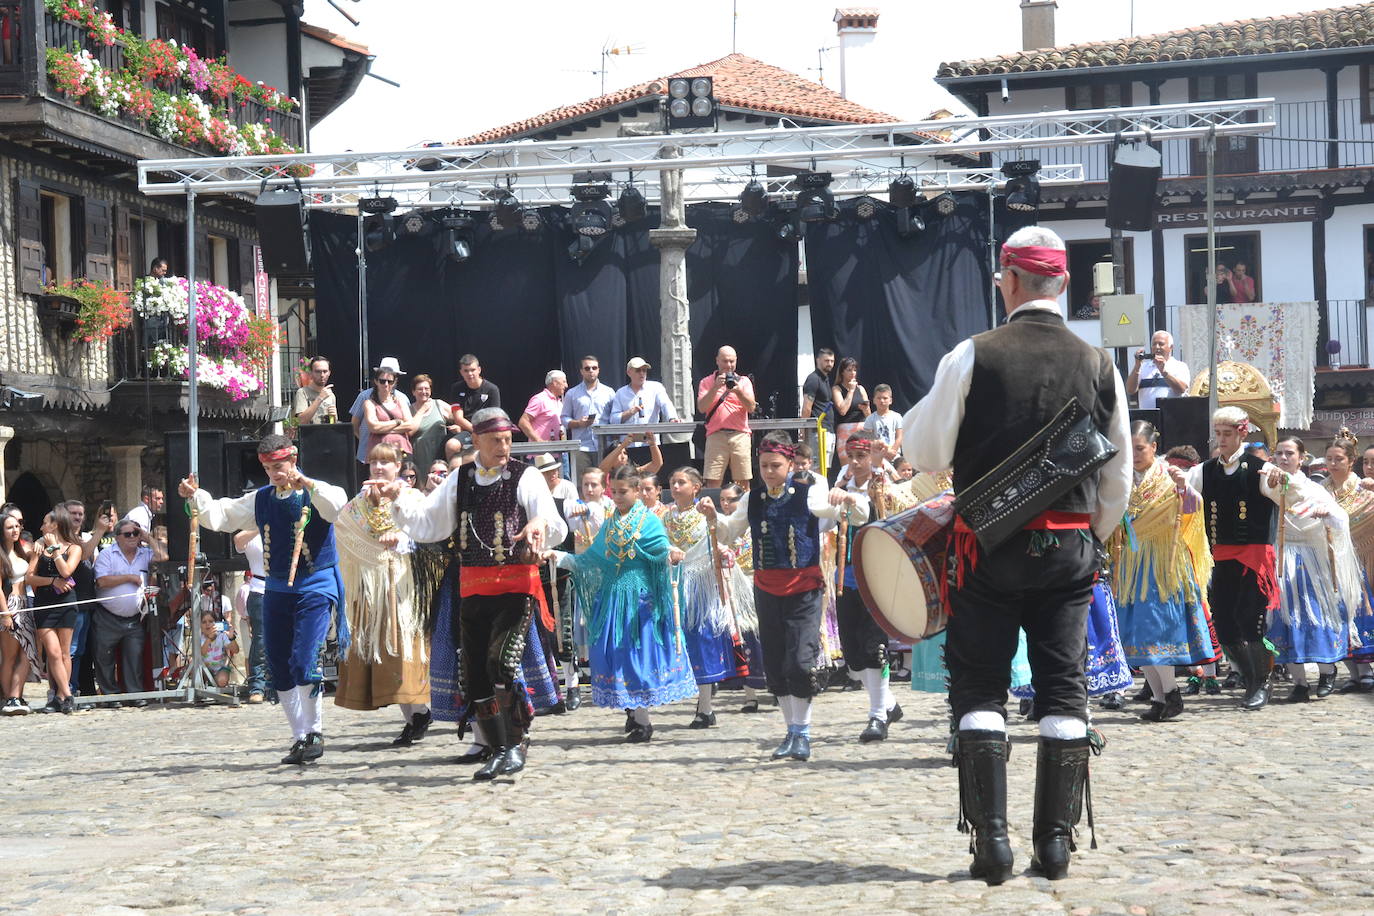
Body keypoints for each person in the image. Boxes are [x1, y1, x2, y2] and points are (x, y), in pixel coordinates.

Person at [903, 225, 1131, 884]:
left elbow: (925, 452)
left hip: (986, 551)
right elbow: (1117, 479)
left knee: (980, 686)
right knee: (1064, 688)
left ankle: (992, 846)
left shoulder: (972, 354)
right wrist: (1089, 536)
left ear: (1007, 280)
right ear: (1065, 282)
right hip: (1070, 552)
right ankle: (1055, 846)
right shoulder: (1100, 363)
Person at [382, 407, 566, 781]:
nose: (504, 447)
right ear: (476, 440)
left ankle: (515, 742)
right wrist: (397, 499)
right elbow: (429, 524)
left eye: (508, 439)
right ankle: (497, 749)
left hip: (515, 587)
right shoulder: (460, 478)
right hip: (472, 589)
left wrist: (539, 523)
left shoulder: (526, 476)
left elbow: (554, 524)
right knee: (475, 674)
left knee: (501, 663)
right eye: (496, 440)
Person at [179, 433, 351, 765]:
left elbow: (335, 507)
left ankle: (314, 731)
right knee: (279, 664)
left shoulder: (317, 491)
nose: (274, 473)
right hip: (276, 589)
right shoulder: (261, 499)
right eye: (269, 468)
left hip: (316, 585)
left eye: (279, 466)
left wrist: (306, 483)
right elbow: (223, 514)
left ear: (293, 459)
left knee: (304, 660)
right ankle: (299, 737)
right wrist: (196, 496)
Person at [702, 432, 869, 762]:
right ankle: (791, 730)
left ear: (790, 464)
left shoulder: (808, 492)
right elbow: (730, 531)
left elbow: (855, 515)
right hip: (766, 590)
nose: (768, 471)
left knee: (799, 662)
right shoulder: (753, 498)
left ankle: (802, 731)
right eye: (763, 465)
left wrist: (847, 498)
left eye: (775, 465)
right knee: (776, 665)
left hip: (803, 589)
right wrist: (712, 517)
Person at [1176, 407, 1306, 713]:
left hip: (1254, 558)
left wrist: (1284, 479)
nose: (1221, 440)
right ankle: (1251, 677)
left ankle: (1261, 682)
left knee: (1250, 622)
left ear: (1242, 433)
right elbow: (1182, 498)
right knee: (1223, 624)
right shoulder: (1204, 471)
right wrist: (1176, 484)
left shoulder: (1260, 469)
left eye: (1227, 434)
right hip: (1220, 557)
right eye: (1218, 434)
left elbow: (1294, 496)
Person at [555, 464, 697, 742]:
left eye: (623, 492)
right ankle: (632, 711)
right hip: (612, 599)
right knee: (614, 655)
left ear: (637, 491)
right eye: (614, 492)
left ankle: (643, 721)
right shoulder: (611, 524)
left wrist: (670, 554)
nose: (618, 497)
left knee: (634, 657)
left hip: (639, 601)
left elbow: (660, 549)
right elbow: (593, 559)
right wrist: (559, 557)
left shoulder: (649, 521)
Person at [1106, 421, 1216, 722]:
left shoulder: (1169, 475)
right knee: (1136, 633)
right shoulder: (1120, 477)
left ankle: (1171, 692)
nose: (1134, 454)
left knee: (1156, 628)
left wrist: (1183, 488)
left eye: (1140, 448)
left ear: (1154, 447)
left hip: (1163, 562)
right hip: (1129, 563)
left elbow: (1194, 507)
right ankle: (1158, 697)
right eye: (1129, 449)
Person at [334, 443, 433, 746]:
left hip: (404, 584)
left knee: (404, 647)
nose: (378, 467)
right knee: (384, 653)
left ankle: (420, 709)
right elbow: (341, 530)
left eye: (385, 462)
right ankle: (413, 717)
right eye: (374, 462)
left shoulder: (412, 497)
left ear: (399, 466)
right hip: (370, 586)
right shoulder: (358, 503)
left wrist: (400, 538)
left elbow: (426, 531)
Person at [1263, 436, 1362, 702]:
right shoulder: (1270, 482)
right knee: (1285, 618)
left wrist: (1325, 513)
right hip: (1283, 556)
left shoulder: (1313, 488)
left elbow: (1340, 517)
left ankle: (1327, 670)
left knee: (1315, 614)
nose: (1284, 458)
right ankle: (1299, 683)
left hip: (1311, 559)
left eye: (1289, 453)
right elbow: (1266, 485)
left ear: (1302, 458)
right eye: (1279, 453)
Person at [663, 466, 754, 729]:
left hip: (701, 588)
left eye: (681, 482)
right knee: (681, 642)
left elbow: (719, 539)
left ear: (696, 487)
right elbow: (659, 542)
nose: (676, 487)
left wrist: (722, 553)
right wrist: (668, 551)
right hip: (675, 585)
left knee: (702, 639)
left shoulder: (705, 514)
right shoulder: (665, 517)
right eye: (673, 482)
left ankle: (705, 706)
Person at [832, 431, 904, 741]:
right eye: (851, 456)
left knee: (875, 647)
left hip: (875, 575)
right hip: (846, 576)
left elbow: (898, 504)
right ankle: (889, 704)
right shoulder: (842, 485)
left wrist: (882, 461)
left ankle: (877, 716)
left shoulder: (881, 484)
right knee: (853, 655)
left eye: (861, 456)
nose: (856, 462)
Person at [1322, 430, 1374, 692]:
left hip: (1361, 562)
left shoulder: (1365, 490)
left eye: (1339, 459)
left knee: (1360, 614)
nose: (1333, 464)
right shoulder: (1320, 490)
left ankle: (1366, 671)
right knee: (1336, 616)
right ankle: (1352, 673)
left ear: (1351, 461)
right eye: (1329, 459)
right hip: (1329, 562)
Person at [92, 518, 165, 701]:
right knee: (104, 658)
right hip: (107, 617)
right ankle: (110, 696)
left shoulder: (145, 553)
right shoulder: (107, 554)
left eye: (135, 533)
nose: (132, 537)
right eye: (128, 534)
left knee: (134, 657)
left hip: (135, 617)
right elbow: (101, 581)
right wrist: (129, 577)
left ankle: (135, 694)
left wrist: (148, 537)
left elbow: (163, 557)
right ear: (117, 537)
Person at [698, 346, 756, 491]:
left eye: (732, 361)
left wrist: (739, 392)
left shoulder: (744, 381)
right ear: (717, 361)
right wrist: (715, 388)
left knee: (743, 482)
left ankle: (742, 506)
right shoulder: (706, 382)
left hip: (740, 435)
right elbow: (702, 408)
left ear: (736, 361)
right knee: (712, 482)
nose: (728, 365)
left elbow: (751, 408)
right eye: (725, 361)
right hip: (716, 435)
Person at [610, 357, 679, 467]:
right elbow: (613, 419)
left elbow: (666, 404)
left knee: (651, 475)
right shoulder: (621, 393)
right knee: (630, 476)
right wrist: (630, 412)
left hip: (650, 445)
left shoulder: (656, 387)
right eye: (638, 370)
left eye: (644, 370)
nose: (642, 373)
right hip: (628, 446)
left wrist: (672, 418)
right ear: (629, 372)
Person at [1, 509, 37, 715]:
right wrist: (5, 614)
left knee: (27, 654)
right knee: (10, 655)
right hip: (10, 605)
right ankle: (10, 698)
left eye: (17, 526)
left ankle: (15, 695)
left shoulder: (21, 551)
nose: (15, 530)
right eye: (9, 527)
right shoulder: (1, 555)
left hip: (26, 604)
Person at [561, 355, 617, 480]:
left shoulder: (609, 392)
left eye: (594, 368)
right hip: (581, 447)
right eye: (587, 368)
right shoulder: (572, 393)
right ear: (581, 371)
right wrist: (578, 423)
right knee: (582, 484)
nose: (591, 371)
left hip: (604, 446)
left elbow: (614, 418)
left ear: (598, 370)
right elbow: (564, 418)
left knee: (605, 483)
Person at [232, 529, 271, 703]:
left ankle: (279, 684)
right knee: (260, 640)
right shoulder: (252, 533)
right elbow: (238, 540)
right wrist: (259, 526)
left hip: (283, 587)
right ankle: (257, 686)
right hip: (259, 588)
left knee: (284, 638)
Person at [361, 360, 415, 462]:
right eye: (382, 381)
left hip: (402, 450)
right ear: (376, 381)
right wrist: (397, 422)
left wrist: (382, 429)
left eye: (390, 381)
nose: (386, 384)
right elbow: (373, 427)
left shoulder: (401, 400)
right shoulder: (369, 403)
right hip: (379, 451)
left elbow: (410, 425)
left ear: (394, 382)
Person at [1126, 331, 1191, 411]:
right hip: (1147, 416)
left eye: (1161, 344)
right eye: (1154, 344)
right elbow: (1130, 390)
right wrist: (1137, 367)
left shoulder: (1180, 366)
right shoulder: (1142, 367)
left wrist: (1164, 373)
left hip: (1171, 416)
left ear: (1171, 347)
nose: (1157, 347)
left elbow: (1181, 389)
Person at [407, 374, 456, 475]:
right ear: (413, 392)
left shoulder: (439, 404)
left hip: (440, 457)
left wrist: (458, 426)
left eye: (427, 388)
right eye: (420, 389)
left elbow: (458, 418)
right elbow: (409, 432)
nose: (424, 391)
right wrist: (422, 409)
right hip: (419, 459)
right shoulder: (408, 410)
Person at [448, 353, 501, 437]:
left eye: (473, 370)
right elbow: (458, 418)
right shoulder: (456, 388)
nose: (470, 373)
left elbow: (494, 417)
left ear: (479, 370)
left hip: (487, 431)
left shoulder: (492, 389)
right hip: (465, 430)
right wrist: (475, 431)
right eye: (466, 371)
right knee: (451, 444)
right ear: (461, 372)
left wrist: (482, 432)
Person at [801, 348, 836, 465]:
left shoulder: (825, 379)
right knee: (817, 467)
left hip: (828, 430)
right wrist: (803, 430)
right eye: (826, 361)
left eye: (832, 361)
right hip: (817, 431)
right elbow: (807, 407)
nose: (829, 364)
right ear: (818, 360)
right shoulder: (813, 379)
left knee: (825, 467)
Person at [831, 357, 870, 462]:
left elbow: (869, 415)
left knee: (864, 460)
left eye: (854, 370)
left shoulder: (861, 389)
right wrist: (851, 391)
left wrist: (865, 408)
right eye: (849, 370)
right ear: (842, 372)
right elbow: (842, 410)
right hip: (845, 429)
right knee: (847, 461)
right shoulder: (837, 389)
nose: (853, 373)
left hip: (861, 428)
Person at [518, 370, 567, 444]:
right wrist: (538, 441)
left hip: (556, 449)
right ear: (555, 383)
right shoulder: (540, 399)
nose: (566, 385)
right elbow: (523, 422)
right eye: (564, 382)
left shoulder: (560, 403)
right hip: (540, 450)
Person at [863, 384, 903, 462]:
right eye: (879, 398)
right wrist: (884, 452)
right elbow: (869, 439)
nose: (882, 401)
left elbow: (899, 437)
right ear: (874, 400)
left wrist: (892, 451)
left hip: (894, 455)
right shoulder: (870, 419)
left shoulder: (897, 417)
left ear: (890, 400)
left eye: (885, 398)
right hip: (877, 456)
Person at [292, 356, 338, 425]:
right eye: (318, 371)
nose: (322, 375)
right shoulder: (302, 392)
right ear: (311, 373)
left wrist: (334, 417)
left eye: (325, 371)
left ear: (329, 373)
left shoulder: (330, 395)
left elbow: (333, 425)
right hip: (309, 432)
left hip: (327, 431)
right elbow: (300, 421)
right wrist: (320, 398)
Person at [199, 611, 238, 688]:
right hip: (204, 669)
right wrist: (209, 639)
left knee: (222, 680)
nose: (207, 624)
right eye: (204, 622)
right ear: (200, 625)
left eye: (211, 621)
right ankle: (209, 681)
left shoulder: (222, 635)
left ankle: (214, 682)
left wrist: (231, 638)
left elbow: (236, 650)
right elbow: (202, 653)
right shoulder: (199, 637)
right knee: (193, 668)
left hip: (220, 668)